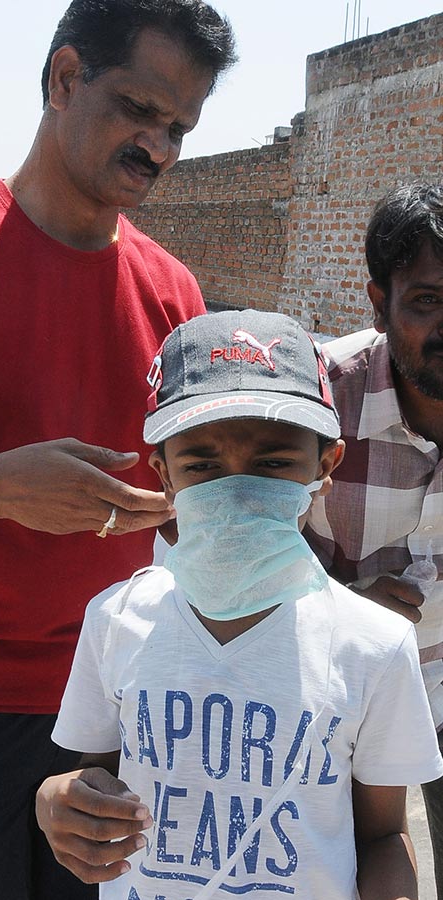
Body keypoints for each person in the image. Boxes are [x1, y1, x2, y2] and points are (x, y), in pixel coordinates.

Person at [0, 2, 237, 898]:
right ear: (65, 79)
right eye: (140, 110)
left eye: (179, 127)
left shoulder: (175, 294)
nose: (161, 147)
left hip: (119, 704)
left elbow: (196, 504)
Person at [36, 308, 443, 900]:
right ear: (164, 475)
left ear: (325, 466)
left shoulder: (374, 645)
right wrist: (60, 799)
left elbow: (381, 834)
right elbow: (92, 772)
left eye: (274, 462)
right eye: (202, 463)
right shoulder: (115, 619)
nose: (237, 485)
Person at [303, 182, 443, 897]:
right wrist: (345, 607)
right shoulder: (318, 402)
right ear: (377, 301)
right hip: (330, 700)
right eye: (426, 300)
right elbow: (231, 554)